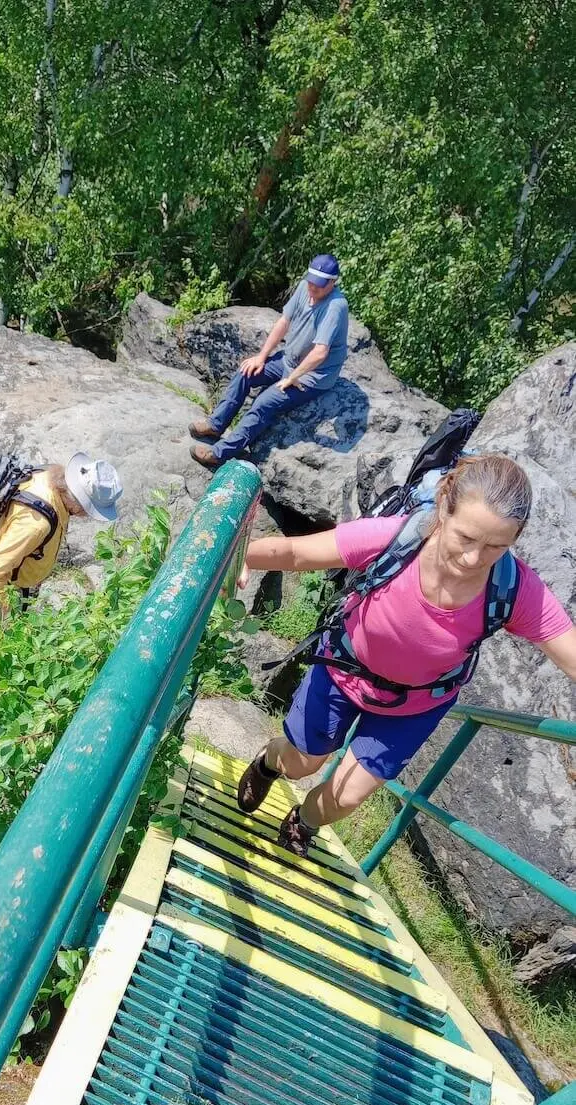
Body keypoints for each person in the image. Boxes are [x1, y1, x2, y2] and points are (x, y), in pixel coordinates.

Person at [233, 454, 576, 857]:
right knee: (301, 763)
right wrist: (238, 556)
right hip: (343, 672)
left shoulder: (515, 590)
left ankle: (302, 822)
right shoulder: (397, 539)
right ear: (444, 508)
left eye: (495, 547)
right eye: (466, 538)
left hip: (414, 704)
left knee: (346, 798)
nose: (473, 558)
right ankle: (269, 763)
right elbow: (295, 553)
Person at [189, 254, 349, 467]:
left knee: (265, 402)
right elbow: (284, 321)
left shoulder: (336, 306)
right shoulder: (305, 287)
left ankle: (219, 454)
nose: (312, 287)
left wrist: (292, 377)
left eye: (318, 284)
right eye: (311, 281)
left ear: (332, 282)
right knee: (246, 372)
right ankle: (216, 424)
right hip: (288, 359)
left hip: (312, 375)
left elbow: (320, 352)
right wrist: (261, 357)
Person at [0, 453, 123, 610]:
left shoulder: (49, 478)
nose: (87, 515)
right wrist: (3, 615)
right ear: (78, 503)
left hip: (12, 574)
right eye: (90, 509)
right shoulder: (36, 524)